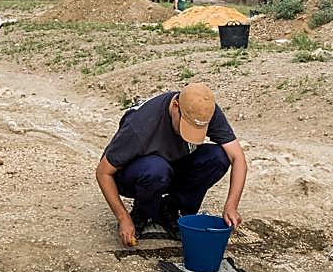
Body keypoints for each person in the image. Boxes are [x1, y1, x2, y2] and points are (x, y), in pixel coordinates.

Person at [95, 82, 247, 247]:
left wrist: (231, 205)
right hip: (137, 174)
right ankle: (142, 212)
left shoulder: (203, 109)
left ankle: (171, 209)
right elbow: (103, 173)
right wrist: (123, 218)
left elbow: (238, 158)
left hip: (171, 166)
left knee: (218, 156)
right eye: (186, 126)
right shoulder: (140, 125)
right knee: (156, 169)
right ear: (175, 106)